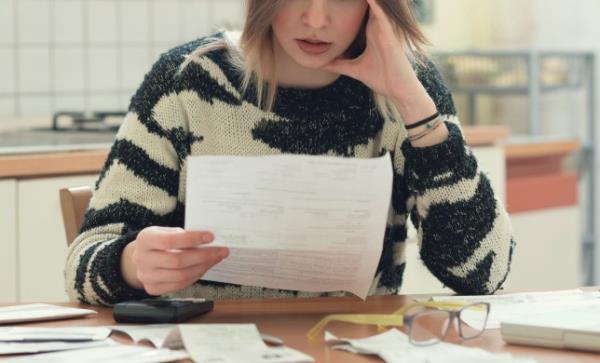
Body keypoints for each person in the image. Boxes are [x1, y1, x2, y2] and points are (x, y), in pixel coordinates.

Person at [65, 0, 515, 306]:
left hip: (349, 347)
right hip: (205, 348)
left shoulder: (405, 89)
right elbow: (82, 262)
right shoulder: (187, 81)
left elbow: (483, 274)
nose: (316, 20)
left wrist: (412, 103)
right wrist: (130, 265)